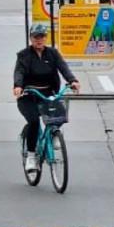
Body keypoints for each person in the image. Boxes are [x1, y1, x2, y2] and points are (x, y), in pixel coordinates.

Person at [14, 23, 80, 173]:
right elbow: (19, 72)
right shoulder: (24, 55)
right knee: (34, 122)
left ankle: (54, 133)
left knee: (60, 115)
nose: (39, 40)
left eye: (42, 36)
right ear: (31, 38)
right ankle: (31, 156)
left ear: (46, 38)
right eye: (36, 37)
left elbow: (64, 68)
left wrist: (72, 81)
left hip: (48, 94)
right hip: (29, 95)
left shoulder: (52, 54)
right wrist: (18, 86)